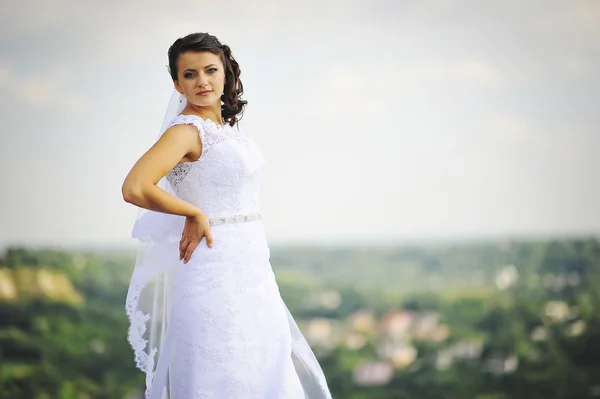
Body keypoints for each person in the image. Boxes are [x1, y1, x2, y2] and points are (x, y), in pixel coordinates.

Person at [121, 32, 332, 399]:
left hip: (254, 270)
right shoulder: (186, 131)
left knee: (265, 365)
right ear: (176, 83)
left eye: (210, 70)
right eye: (189, 74)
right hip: (211, 268)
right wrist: (192, 212)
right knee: (222, 371)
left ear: (226, 74)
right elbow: (135, 187)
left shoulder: (228, 130)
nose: (201, 81)